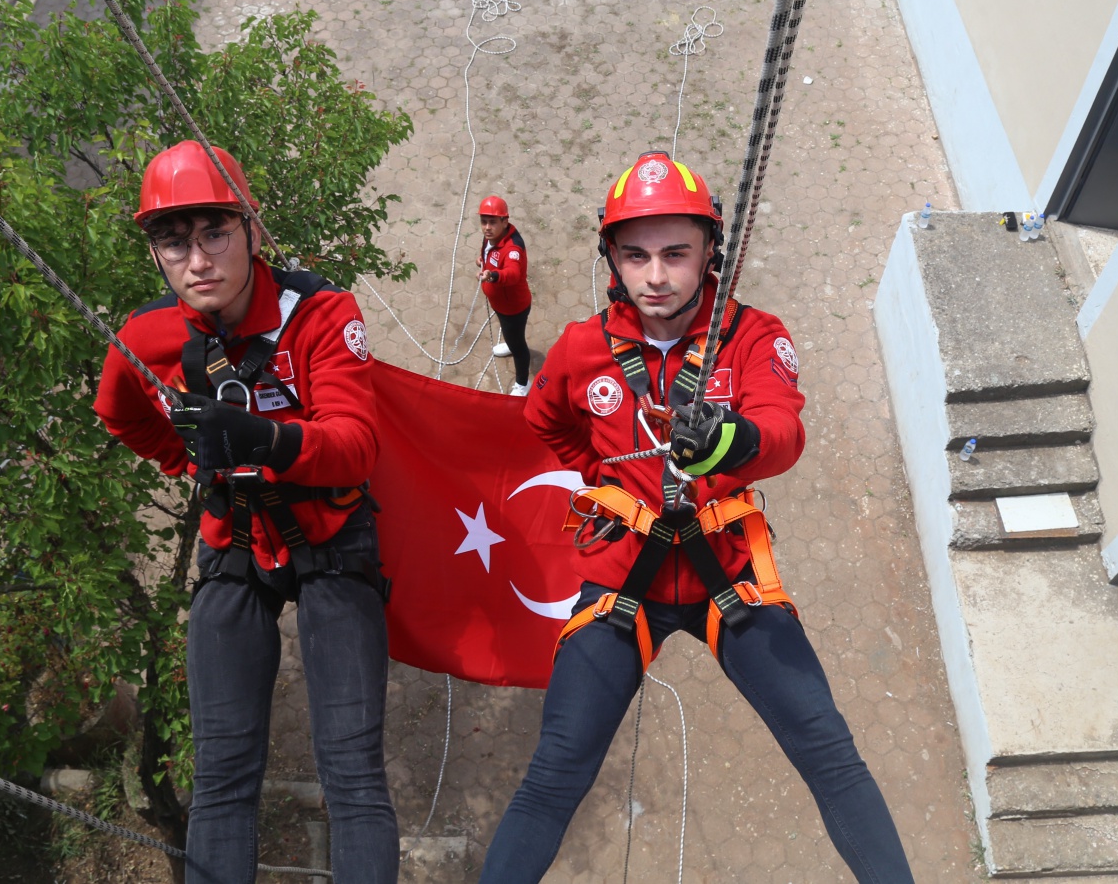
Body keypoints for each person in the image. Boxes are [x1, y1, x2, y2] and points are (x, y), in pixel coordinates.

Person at [478, 152, 914, 883]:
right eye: (637, 254)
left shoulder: (747, 336)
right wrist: (602, 474)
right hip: (623, 586)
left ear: (711, 250)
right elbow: (544, 417)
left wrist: (728, 441)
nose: (656, 276)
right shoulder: (586, 349)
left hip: (729, 581)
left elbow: (783, 431)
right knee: (552, 778)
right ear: (611, 257)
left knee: (830, 755)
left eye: (677, 253)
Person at [93, 141, 398, 884]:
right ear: (156, 253)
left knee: (351, 774)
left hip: (331, 536)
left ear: (252, 230)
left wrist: (263, 438)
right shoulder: (147, 334)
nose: (196, 259)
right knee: (223, 776)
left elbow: (357, 444)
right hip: (236, 539)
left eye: (214, 233)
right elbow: (119, 412)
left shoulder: (319, 313)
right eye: (174, 240)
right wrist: (191, 464)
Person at [477, 195, 534, 396]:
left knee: (519, 347)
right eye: (484, 222)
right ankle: (511, 343)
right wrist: (483, 261)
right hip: (500, 303)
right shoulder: (493, 236)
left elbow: (512, 273)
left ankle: (522, 383)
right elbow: (489, 253)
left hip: (513, 308)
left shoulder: (512, 249)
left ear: (505, 221)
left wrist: (492, 275)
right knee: (511, 335)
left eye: (492, 222)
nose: (487, 227)